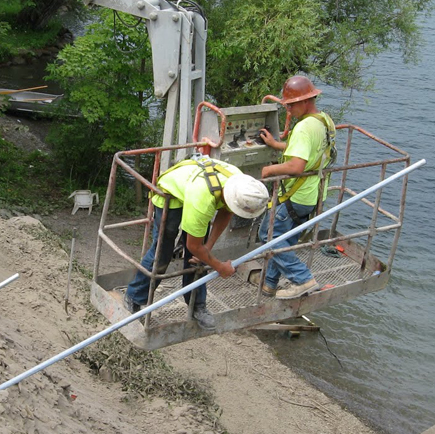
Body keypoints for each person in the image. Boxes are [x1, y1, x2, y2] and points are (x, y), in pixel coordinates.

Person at [123, 157, 269, 330]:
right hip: (170, 193)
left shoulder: (239, 184)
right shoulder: (203, 200)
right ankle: (134, 296)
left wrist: (208, 248)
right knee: (162, 253)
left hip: (193, 190)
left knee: (197, 258)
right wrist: (219, 267)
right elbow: (194, 246)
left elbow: (226, 212)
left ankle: (197, 305)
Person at [254, 75, 336, 299]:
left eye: (291, 104)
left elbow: (297, 166)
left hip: (295, 194)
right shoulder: (324, 121)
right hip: (314, 194)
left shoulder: (303, 128)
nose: (288, 110)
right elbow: (307, 152)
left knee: (268, 237)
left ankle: (304, 280)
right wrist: (275, 144)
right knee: (285, 240)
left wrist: (269, 171)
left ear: (306, 101)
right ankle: (269, 284)